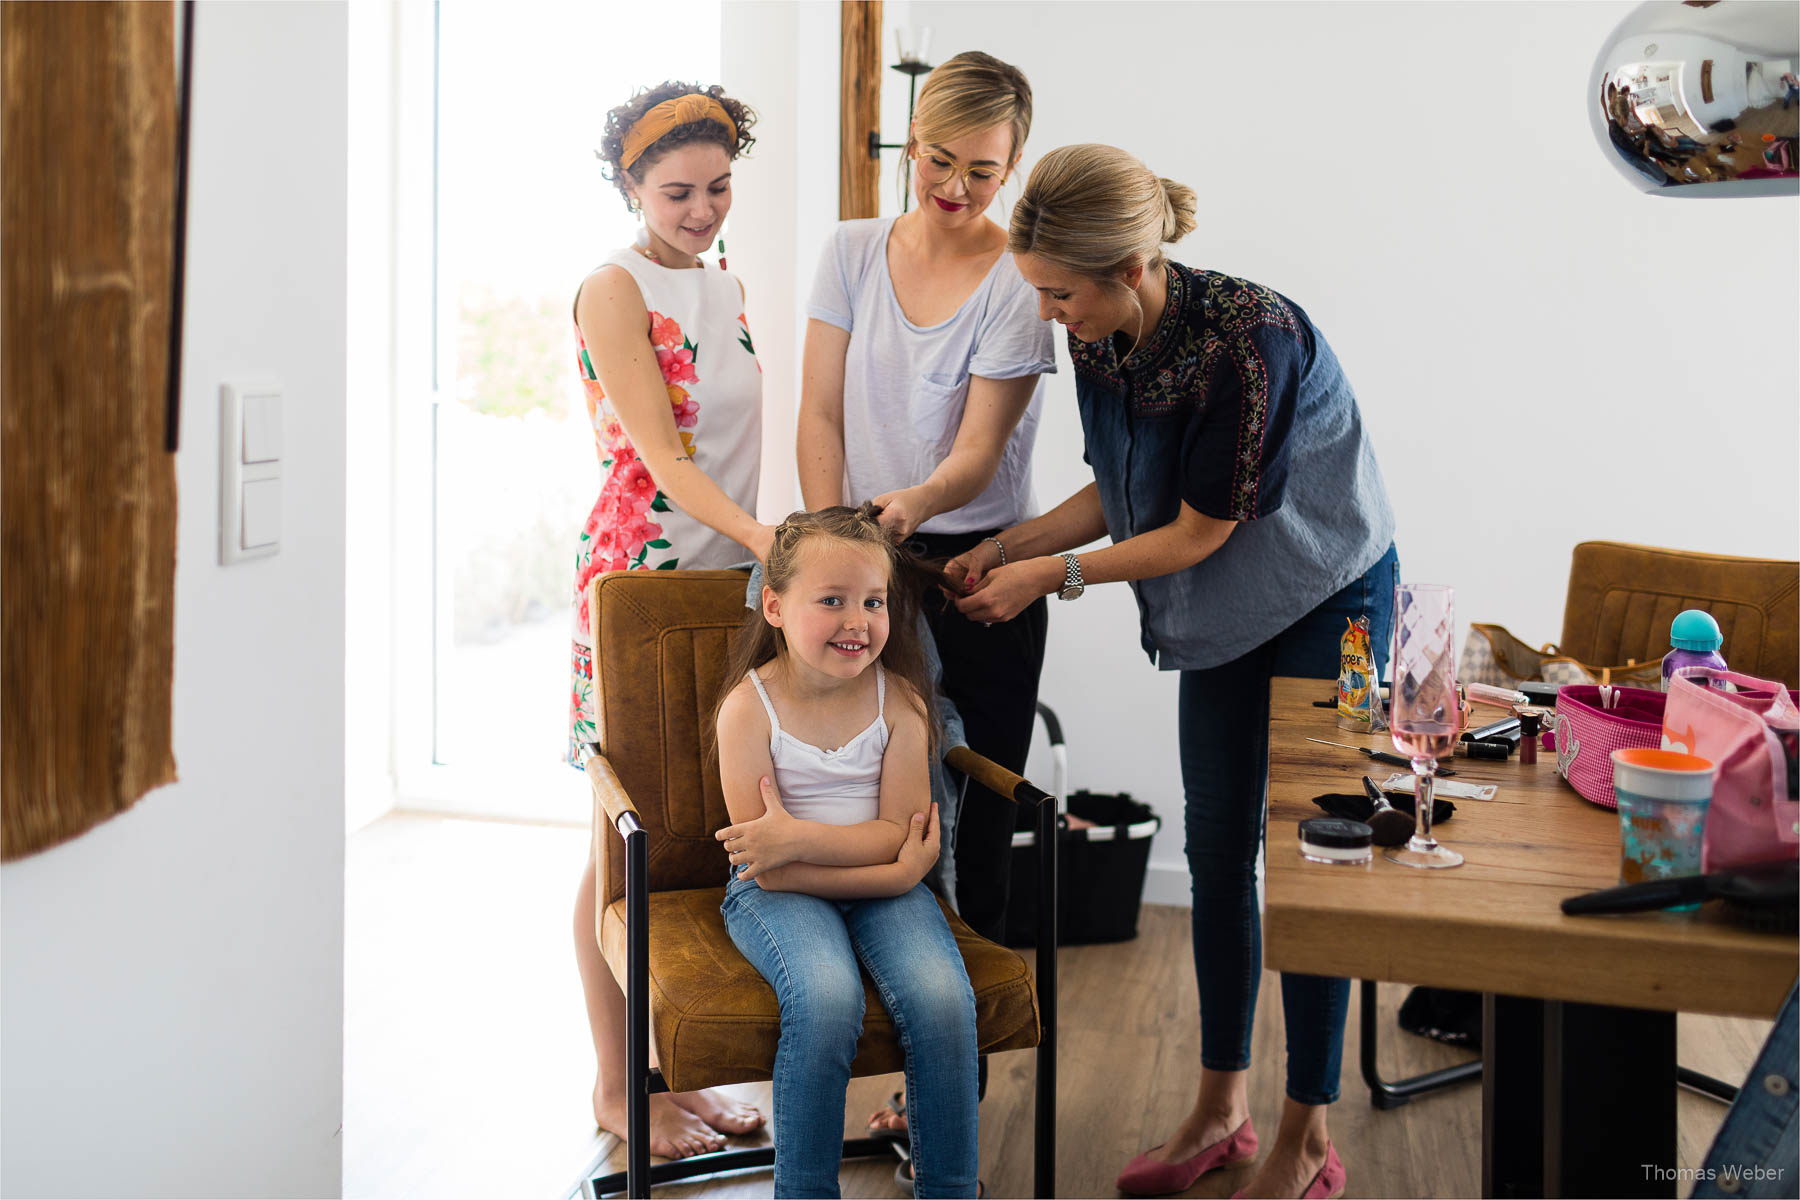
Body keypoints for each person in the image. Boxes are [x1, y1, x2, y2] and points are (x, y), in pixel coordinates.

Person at [955, 143, 1400, 1200]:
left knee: (1317, 859)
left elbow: (1197, 530)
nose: (1051, 315)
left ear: (1131, 268)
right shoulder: (1101, 336)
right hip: (1230, 611)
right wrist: (1009, 545)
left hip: (1330, 599)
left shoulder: (1254, 342)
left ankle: (1307, 1131)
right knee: (1213, 851)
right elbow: (1123, 490)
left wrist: (1046, 579)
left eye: (1062, 295)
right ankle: (1222, 1107)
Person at [796, 46, 1052, 1018]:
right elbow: (818, 416)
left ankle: (951, 1079)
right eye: (938, 159)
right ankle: (855, 1032)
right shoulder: (852, 250)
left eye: (982, 171)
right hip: (854, 557)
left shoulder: (1019, 280)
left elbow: (977, 456)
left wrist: (907, 513)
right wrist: (836, 549)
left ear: (1012, 167)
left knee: (970, 821)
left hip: (975, 573)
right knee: (852, 804)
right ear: (912, 142)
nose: (955, 186)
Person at [568, 80, 774, 1156]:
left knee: (688, 833)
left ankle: (668, 1077)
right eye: (680, 191)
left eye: (720, 187)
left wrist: (754, 551)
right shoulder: (613, 287)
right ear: (631, 186)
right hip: (642, 581)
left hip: (723, 576)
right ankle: (617, 1090)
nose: (703, 210)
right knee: (622, 839)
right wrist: (768, 541)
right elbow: (663, 459)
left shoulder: (725, 283)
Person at [711, 505, 979, 1199]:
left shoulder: (903, 703)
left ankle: (948, 1189)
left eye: (872, 601)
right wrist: (895, 870)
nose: (857, 620)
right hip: (779, 893)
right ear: (774, 605)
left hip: (871, 883)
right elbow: (765, 863)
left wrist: (804, 835)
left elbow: (898, 828)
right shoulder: (748, 710)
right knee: (826, 998)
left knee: (944, 999)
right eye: (831, 601)